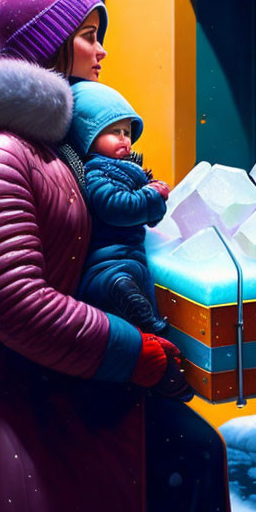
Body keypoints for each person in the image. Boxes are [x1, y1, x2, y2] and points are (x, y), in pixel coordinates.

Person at [0, 0, 232, 512]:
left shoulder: (55, 145)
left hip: (65, 373)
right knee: (179, 462)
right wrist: (134, 351)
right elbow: (17, 301)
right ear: (47, 44)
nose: (101, 50)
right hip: (12, 390)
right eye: (86, 35)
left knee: (191, 456)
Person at [67, 81, 171, 335]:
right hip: (107, 256)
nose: (124, 139)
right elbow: (114, 206)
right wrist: (151, 197)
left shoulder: (124, 167)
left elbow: (148, 217)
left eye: (127, 132)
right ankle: (131, 301)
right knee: (118, 280)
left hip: (129, 252)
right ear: (89, 137)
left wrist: (154, 197)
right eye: (115, 132)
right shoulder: (97, 170)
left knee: (135, 279)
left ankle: (143, 315)